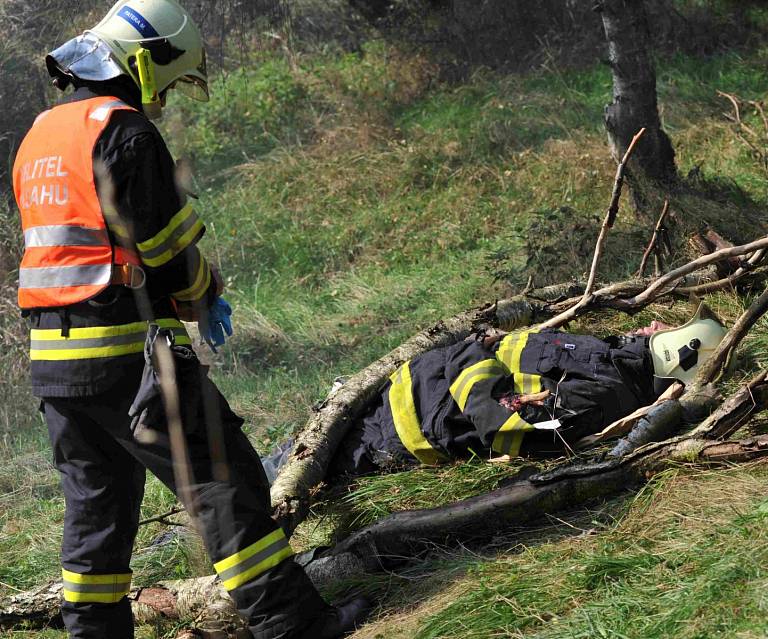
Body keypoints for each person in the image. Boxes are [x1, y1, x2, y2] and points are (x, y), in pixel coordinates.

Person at [12, 1, 368, 637]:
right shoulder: (124, 131)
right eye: (169, 82)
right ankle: (294, 625)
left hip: (53, 364)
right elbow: (170, 255)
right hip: (126, 355)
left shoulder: (41, 133)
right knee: (221, 481)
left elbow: (89, 246)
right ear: (144, 61)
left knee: (96, 511)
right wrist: (206, 295)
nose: (165, 103)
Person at [330, 307, 727, 476]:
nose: (655, 323)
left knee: (282, 479)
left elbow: (509, 425)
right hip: (403, 387)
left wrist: (470, 354)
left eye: (668, 330)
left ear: (679, 353)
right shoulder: (610, 359)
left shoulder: (602, 400)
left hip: (394, 426)